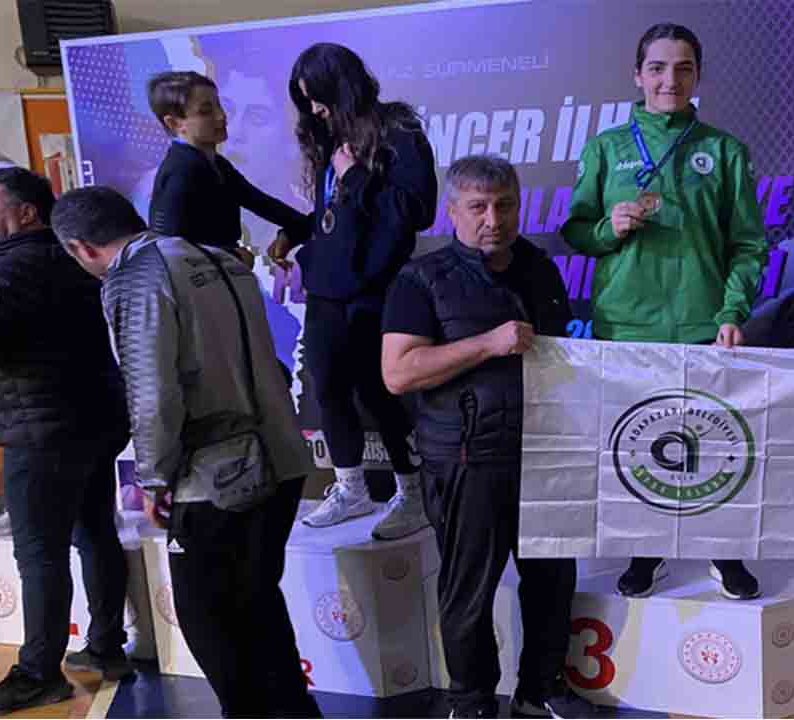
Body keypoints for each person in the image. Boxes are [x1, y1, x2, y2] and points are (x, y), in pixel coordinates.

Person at [52, 187, 319, 718]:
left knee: (210, 615)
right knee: (257, 603)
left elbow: (152, 391)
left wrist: (154, 478)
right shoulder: (216, 258)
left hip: (217, 475)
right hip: (281, 456)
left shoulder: (136, 276)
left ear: (80, 248)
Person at [561, 22, 768, 601]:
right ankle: (646, 551)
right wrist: (609, 227)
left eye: (682, 68)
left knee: (713, 442)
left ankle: (723, 551)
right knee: (640, 444)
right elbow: (575, 231)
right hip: (627, 325)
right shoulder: (607, 147)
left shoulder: (723, 150)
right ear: (637, 75)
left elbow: (749, 244)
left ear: (697, 76)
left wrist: (732, 310)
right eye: (657, 68)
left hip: (704, 324)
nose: (669, 80)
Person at [382, 155, 589, 719]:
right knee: (468, 589)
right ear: (452, 212)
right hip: (467, 458)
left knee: (552, 579)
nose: (493, 219)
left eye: (504, 205)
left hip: (542, 452)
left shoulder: (540, 268)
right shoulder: (420, 279)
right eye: (478, 207)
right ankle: (471, 700)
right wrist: (486, 344)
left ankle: (540, 689)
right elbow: (398, 372)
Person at [268, 43, 437, 540]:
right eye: (305, 101)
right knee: (329, 389)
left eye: (317, 97)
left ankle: (413, 494)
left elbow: (415, 211)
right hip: (326, 290)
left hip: (376, 289)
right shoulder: (331, 138)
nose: (314, 109)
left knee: (381, 394)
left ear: (342, 87)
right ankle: (351, 489)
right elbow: (334, 213)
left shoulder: (398, 131)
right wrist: (294, 233)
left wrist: (358, 175)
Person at [0, 169, 131, 713]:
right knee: (96, 535)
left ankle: (39, 672)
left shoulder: (8, 272)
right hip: (92, 423)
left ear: (26, 213)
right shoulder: (72, 260)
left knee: (39, 555)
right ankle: (107, 647)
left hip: (39, 434)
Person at [145, 71, 310, 267]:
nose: (221, 116)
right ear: (174, 123)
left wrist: (295, 231)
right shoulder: (181, 170)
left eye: (219, 106)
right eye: (206, 111)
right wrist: (232, 257)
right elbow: (167, 249)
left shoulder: (216, 164)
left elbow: (261, 203)